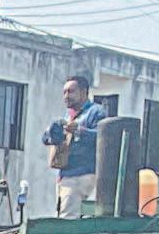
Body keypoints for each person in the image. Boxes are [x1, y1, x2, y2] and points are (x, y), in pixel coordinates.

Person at [39, 75, 108, 219]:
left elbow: (104, 137)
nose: (66, 96)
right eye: (64, 92)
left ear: (84, 92)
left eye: (70, 92)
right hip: (65, 175)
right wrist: (52, 133)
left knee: (68, 220)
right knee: (63, 216)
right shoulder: (67, 116)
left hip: (81, 175)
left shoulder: (95, 112)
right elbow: (46, 139)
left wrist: (79, 131)